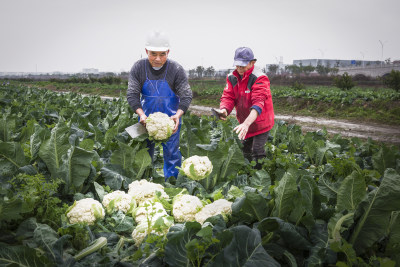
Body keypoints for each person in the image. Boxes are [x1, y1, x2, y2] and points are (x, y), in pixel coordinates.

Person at [127, 30, 192, 179]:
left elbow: (186, 94)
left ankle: (172, 184)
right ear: (146, 51)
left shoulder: (175, 69)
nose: (157, 58)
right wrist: (142, 115)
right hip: (145, 121)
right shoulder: (138, 68)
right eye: (153, 54)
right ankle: (144, 184)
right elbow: (132, 93)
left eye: (162, 54)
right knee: (143, 154)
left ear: (168, 52)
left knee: (172, 155)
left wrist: (178, 115)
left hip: (171, 121)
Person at [218, 47, 274, 168]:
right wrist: (224, 110)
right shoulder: (232, 77)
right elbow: (228, 97)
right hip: (245, 123)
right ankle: (247, 174)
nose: (239, 68)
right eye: (237, 65)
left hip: (261, 122)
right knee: (244, 149)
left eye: (242, 65)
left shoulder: (259, 78)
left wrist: (246, 124)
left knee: (257, 150)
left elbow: (258, 104)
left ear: (252, 63)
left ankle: (260, 175)